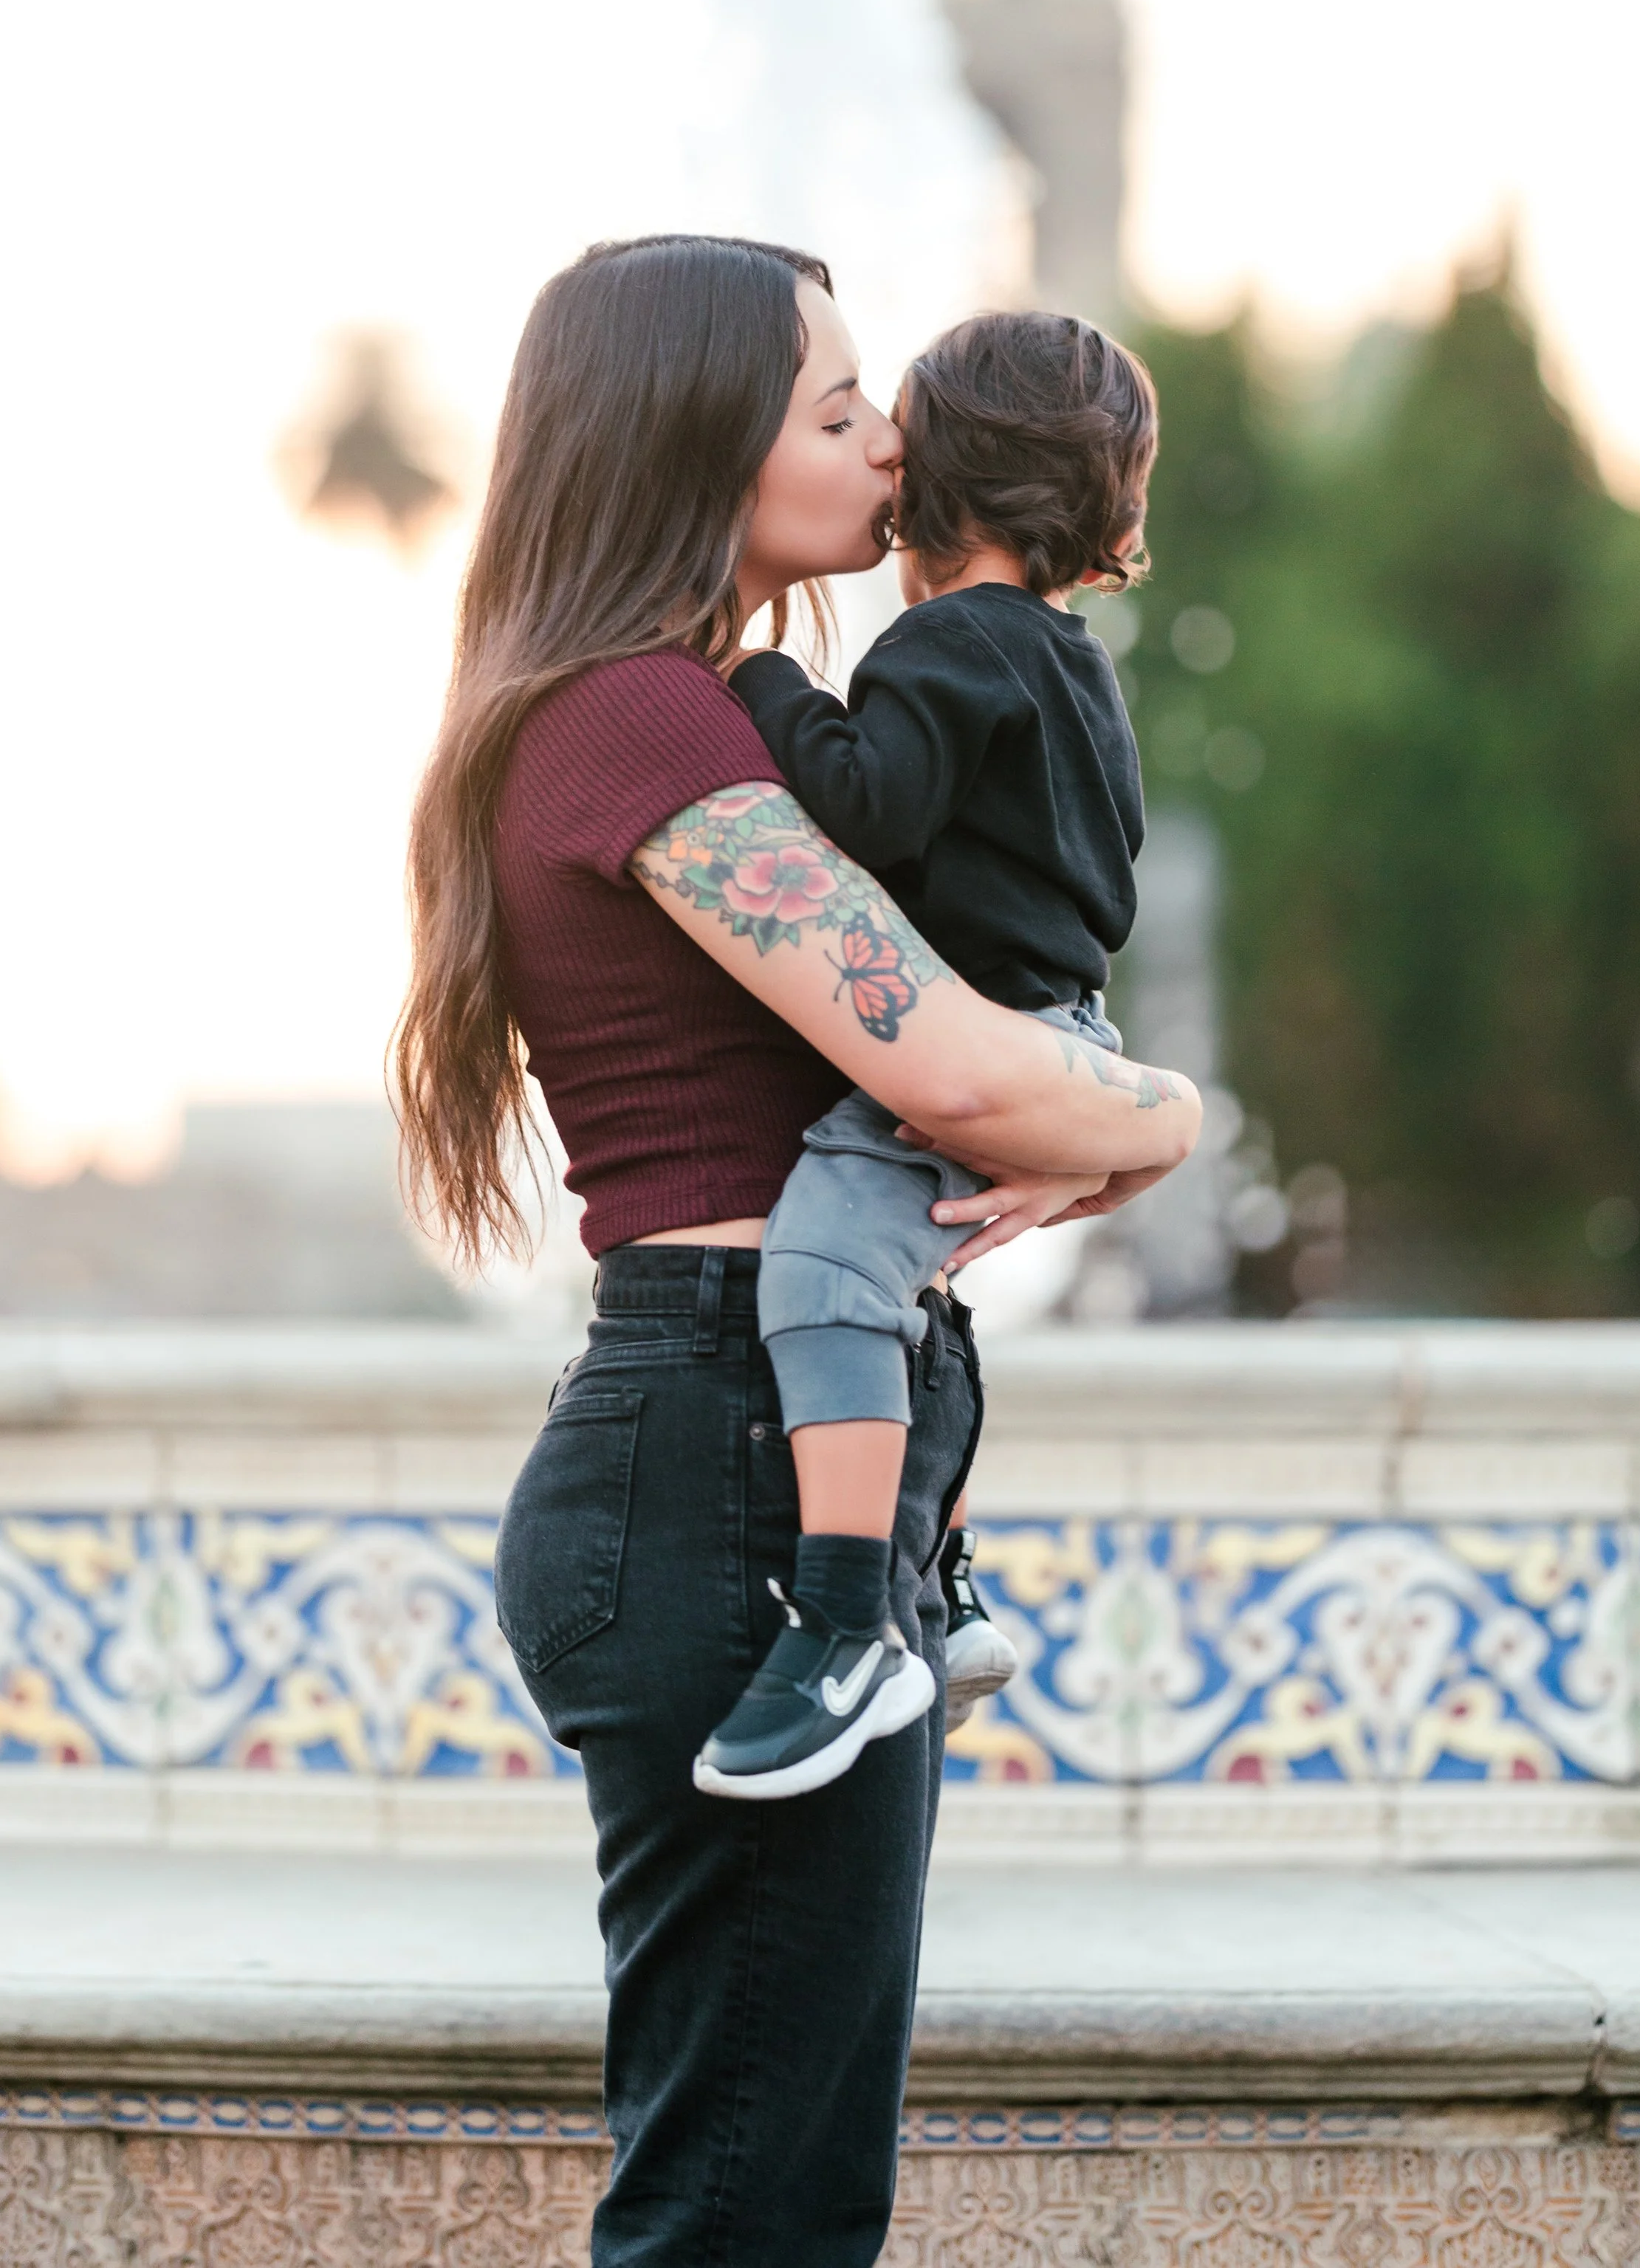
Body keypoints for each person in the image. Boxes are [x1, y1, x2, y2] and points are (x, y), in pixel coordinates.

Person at [394, 233, 1201, 2267]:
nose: (889, 434)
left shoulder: (702, 715)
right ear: (693, 436)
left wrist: (1117, 1115)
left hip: (773, 1450)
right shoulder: (644, 721)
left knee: (788, 2189)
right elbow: (952, 1066)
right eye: (837, 407)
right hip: (728, 1459)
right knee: (743, 2205)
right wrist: (1169, 1117)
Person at [693, 309, 1165, 1800]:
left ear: (928, 488)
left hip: (989, 1036)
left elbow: (866, 809)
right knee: (898, 1303)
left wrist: (763, 683)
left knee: (827, 1272)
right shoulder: (1067, 663)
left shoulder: (946, 643)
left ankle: (845, 1625)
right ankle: (941, 1590)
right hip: (1062, 1028)